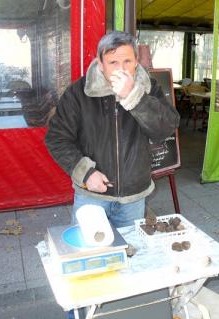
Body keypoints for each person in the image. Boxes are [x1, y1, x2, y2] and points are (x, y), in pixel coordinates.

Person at [45, 31, 179, 228]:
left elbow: (165, 129)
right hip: (92, 194)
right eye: (113, 62)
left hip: (134, 195)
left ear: (136, 62)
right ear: (100, 63)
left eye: (127, 61)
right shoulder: (78, 93)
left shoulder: (150, 88)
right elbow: (57, 138)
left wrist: (135, 97)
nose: (121, 69)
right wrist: (86, 172)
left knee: (129, 251)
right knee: (89, 252)